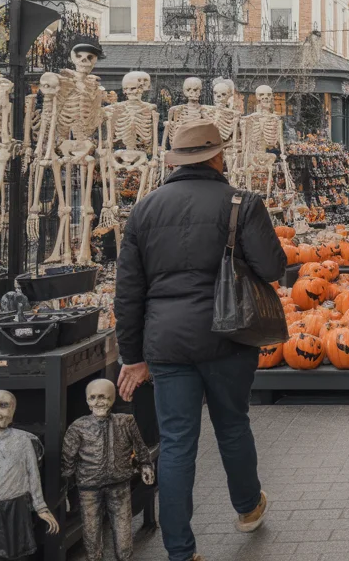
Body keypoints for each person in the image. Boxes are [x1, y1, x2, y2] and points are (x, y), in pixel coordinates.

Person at [115, 121, 286, 561]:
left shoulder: (145, 209)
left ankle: (180, 550)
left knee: (176, 442)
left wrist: (132, 356)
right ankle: (248, 507)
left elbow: (129, 292)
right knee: (232, 424)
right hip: (229, 336)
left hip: (167, 343)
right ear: (217, 158)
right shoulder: (242, 204)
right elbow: (273, 268)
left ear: (175, 161)